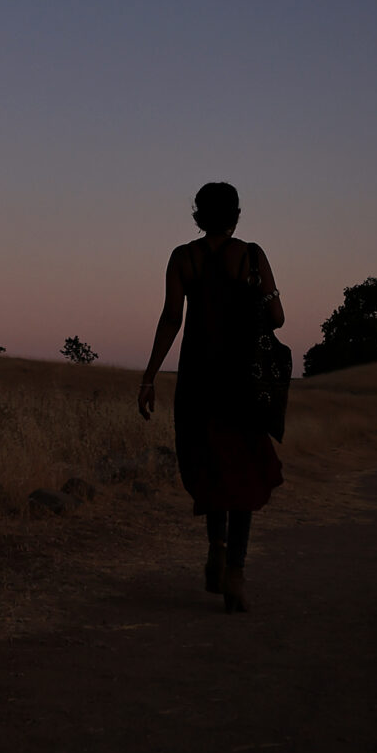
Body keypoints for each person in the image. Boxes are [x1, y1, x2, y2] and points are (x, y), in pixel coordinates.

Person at [138, 182, 284, 612]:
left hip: (198, 381)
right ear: (236, 215)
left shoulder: (183, 258)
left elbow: (171, 319)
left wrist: (149, 377)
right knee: (243, 473)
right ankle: (235, 573)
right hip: (242, 385)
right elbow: (276, 317)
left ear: (198, 216)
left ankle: (216, 547)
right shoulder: (252, 257)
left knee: (212, 466)